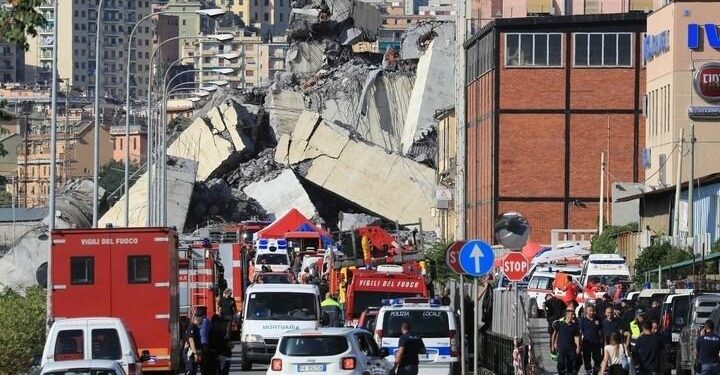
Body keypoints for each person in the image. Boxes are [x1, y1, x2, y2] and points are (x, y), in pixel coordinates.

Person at [553, 308, 581, 375]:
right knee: (561, 362)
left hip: (571, 348)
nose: (573, 316)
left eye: (573, 315)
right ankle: (561, 372)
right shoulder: (560, 324)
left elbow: (576, 337)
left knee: (570, 363)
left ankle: (569, 372)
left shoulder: (575, 326)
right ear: (567, 315)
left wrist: (578, 347)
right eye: (572, 315)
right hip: (562, 347)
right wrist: (554, 343)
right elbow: (556, 334)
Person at [580, 304, 603, 375]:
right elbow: (580, 332)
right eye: (590, 311)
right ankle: (588, 372)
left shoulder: (598, 319)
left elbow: (601, 330)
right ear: (586, 311)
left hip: (596, 342)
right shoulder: (583, 320)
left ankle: (595, 372)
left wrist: (601, 340)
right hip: (587, 342)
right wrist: (579, 343)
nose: (592, 312)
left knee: (598, 358)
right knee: (587, 359)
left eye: (593, 311)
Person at [197, 309, 215, 375]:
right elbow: (212, 329)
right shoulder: (207, 321)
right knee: (206, 363)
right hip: (205, 345)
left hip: (199, 345)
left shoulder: (198, 323)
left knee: (202, 363)